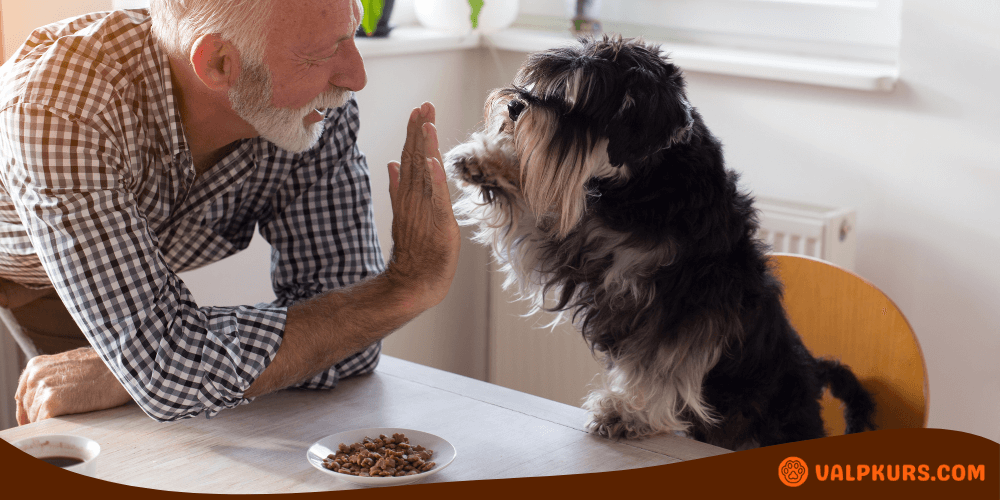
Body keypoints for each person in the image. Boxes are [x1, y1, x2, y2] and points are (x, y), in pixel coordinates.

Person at [0, 0, 460, 425]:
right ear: (219, 63)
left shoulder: (315, 109)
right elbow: (169, 372)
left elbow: (353, 341)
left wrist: (160, 359)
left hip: (112, 263)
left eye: (352, 32)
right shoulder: (61, 107)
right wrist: (408, 286)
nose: (355, 77)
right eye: (322, 53)